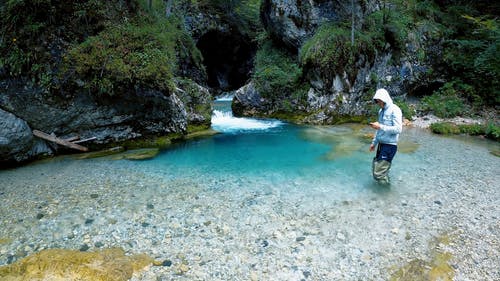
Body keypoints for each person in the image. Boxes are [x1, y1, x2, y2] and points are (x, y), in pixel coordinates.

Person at [369, 88, 402, 184]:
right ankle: (385, 193)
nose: (379, 104)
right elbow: (378, 130)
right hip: (381, 145)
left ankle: (386, 193)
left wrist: (381, 126)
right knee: (378, 169)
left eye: (380, 101)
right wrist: (373, 143)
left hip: (390, 145)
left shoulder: (395, 110)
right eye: (377, 102)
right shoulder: (381, 111)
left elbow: (398, 129)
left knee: (378, 173)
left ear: (385, 99)